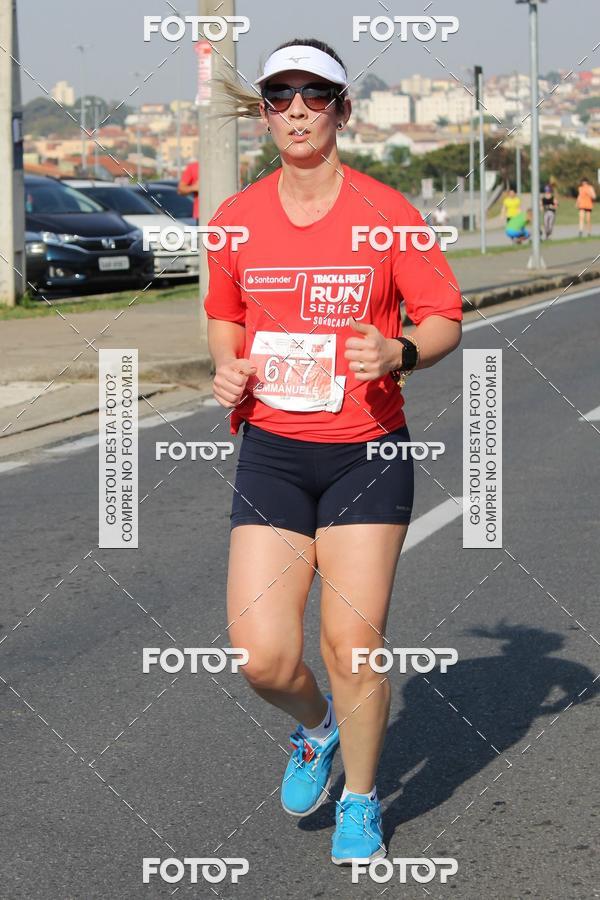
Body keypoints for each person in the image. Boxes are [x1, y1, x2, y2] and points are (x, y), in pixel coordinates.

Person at [203, 38, 462, 866]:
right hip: (274, 451)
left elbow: (444, 318)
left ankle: (360, 797)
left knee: (350, 647)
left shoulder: (388, 212)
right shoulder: (237, 219)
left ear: (343, 109)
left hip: (366, 455)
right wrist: (227, 367)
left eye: (317, 94)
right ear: (266, 113)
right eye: (281, 96)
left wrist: (401, 355)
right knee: (261, 654)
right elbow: (225, 313)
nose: (299, 109)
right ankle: (315, 731)